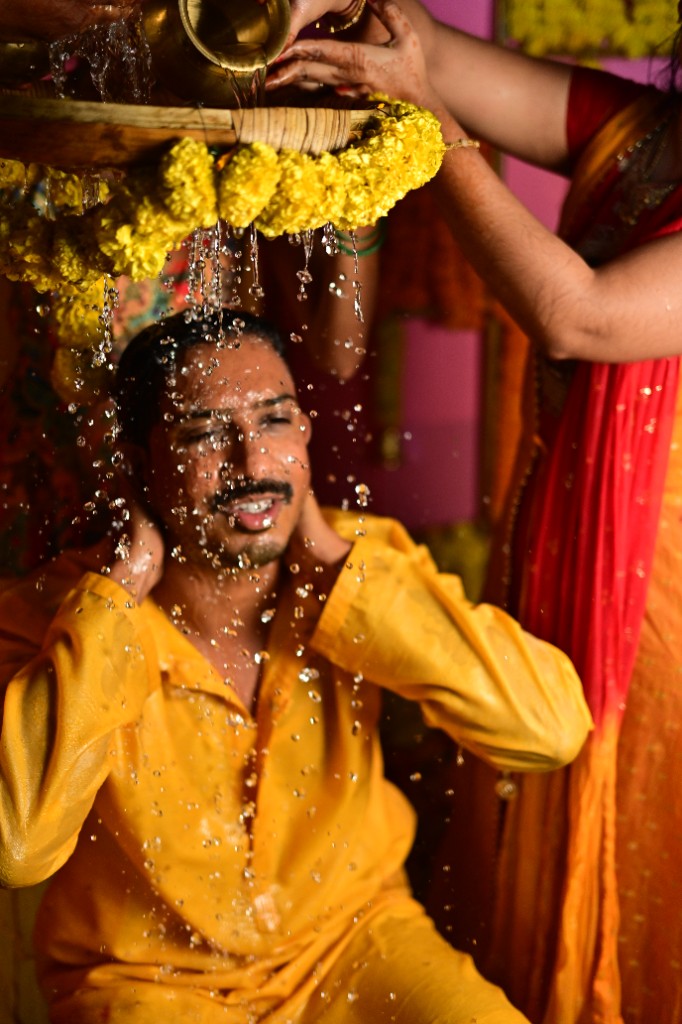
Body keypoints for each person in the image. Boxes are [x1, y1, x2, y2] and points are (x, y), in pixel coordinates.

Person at [0, 308, 592, 1023]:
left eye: (275, 422)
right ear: (135, 462)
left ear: (306, 433)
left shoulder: (359, 561)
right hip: (147, 984)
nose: (253, 465)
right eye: (205, 434)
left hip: (355, 944)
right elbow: (18, 844)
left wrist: (342, 574)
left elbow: (551, 728)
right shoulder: (59, 616)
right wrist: (123, 589)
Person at [269, 2, 682, 1022]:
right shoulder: (651, 138)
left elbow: (576, 315)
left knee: (628, 833)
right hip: (567, 534)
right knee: (528, 761)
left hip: (660, 607)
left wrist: (430, 136)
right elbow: (435, 55)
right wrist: (330, 16)